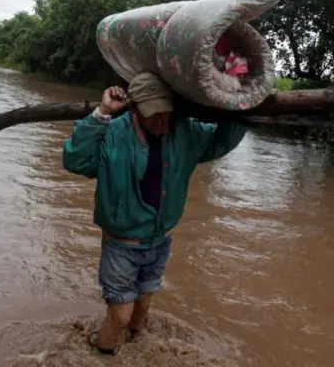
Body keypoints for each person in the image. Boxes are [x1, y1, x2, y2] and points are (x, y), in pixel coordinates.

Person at [62, 72, 247, 355]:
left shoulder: (185, 130)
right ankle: (103, 353)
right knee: (121, 314)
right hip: (121, 244)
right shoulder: (113, 131)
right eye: (152, 115)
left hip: (160, 240)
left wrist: (237, 106)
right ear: (134, 109)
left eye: (166, 114)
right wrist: (101, 113)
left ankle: (135, 349)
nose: (161, 122)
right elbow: (75, 160)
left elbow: (220, 142)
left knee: (142, 307)